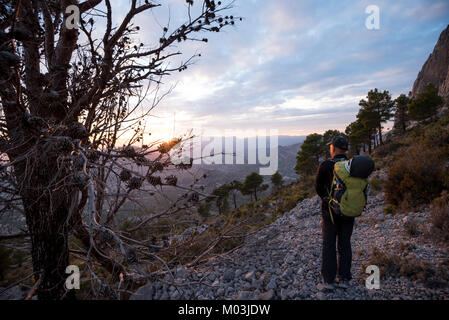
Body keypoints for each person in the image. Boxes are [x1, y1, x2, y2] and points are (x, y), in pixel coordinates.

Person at [315, 136, 354, 291]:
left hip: (329, 212)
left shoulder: (326, 165)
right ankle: (344, 279)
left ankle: (328, 281)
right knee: (345, 243)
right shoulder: (353, 165)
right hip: (349, 210)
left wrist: (328, 200)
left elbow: (318, 187)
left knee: (329, 244)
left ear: (334, 148)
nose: (329, 148)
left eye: (331, 146)